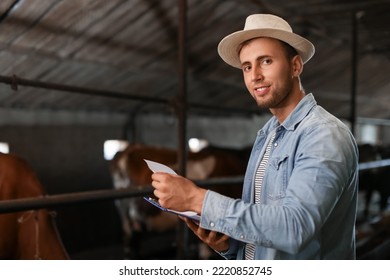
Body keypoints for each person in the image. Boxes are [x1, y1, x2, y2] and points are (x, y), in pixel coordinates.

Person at [151, 14, 358, 260]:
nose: (254, 75)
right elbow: (265, 234)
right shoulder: (268, 135)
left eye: (266, 61)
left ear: (295, 66)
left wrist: (198, 199)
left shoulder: (324, 135)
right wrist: (229, 246)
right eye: (247, 66)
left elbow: (295, 229)